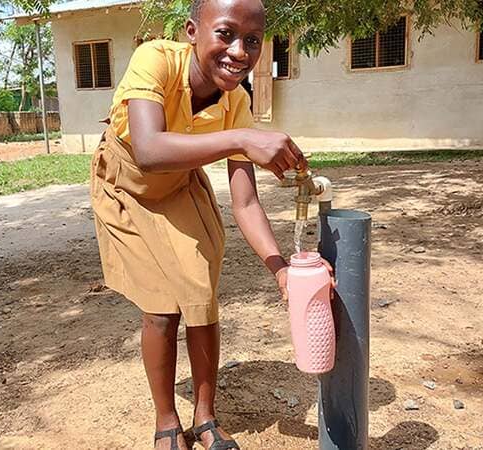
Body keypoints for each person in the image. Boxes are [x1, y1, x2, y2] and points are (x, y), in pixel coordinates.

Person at [90, 0, 333, 448]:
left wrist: (280, 269)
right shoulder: (156, 60)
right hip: (125, 185)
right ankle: (167, 422)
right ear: (191, 31)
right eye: (225, 34)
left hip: (180, 185)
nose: (240, 51)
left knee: (201, 295)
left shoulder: (236, 102)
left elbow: (245, 203)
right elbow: (147, 148)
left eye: (253, 41)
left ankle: (205, 418)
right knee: (161, 307)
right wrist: (242, 138)